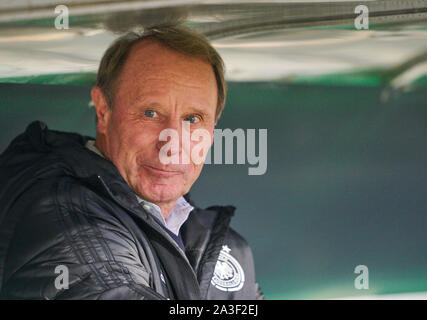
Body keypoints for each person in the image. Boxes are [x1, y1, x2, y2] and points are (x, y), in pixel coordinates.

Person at [0, 25, 263, 300]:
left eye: (192, 119)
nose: (172, 144)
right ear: (103, 111)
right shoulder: (68, 221)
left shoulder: (218, 243)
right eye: (150, 113)